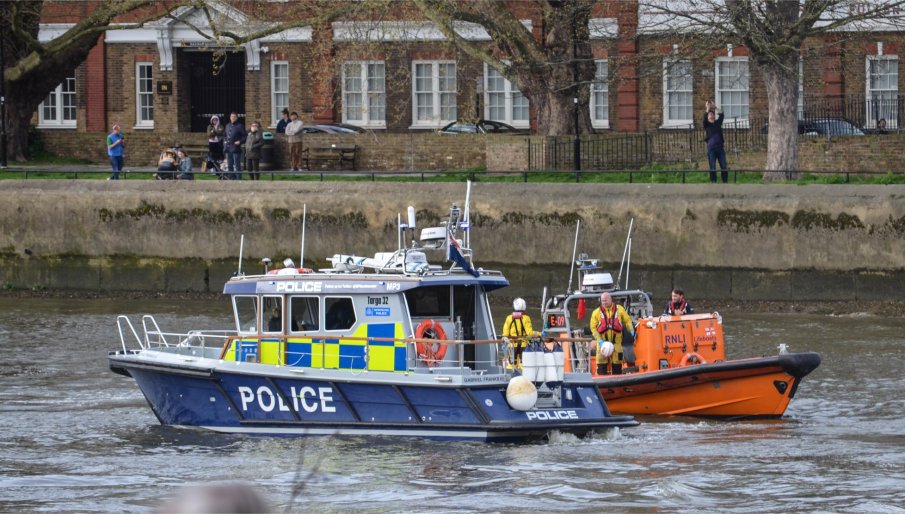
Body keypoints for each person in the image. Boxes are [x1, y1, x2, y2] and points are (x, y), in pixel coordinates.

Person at [589, 292, 634, 375]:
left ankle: (618, 383)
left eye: (606, 300)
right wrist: (599, 340)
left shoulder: (620, 309)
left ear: (610, 299)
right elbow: (593, 328)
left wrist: (631, 330)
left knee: (617, 365)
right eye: (602, 301)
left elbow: (627, 320)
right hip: (602, 344)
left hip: (616, 343)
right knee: (601, 365)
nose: (604, 302)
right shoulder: (596, 312)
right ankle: (602, 384)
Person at [501, 298, 536, 369]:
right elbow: (530, 333)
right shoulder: (526, 318)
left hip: (511, 345)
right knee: (523, 365)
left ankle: (511, 378)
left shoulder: (509, 318)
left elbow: (505, 334)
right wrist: (540, 334)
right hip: (523, 345)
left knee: (511, 365)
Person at [703, 99, 728, 184]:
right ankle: (713, 183)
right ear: (708, 117)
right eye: (709, 114)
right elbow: (704, 119)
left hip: (720, 148)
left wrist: (715, 107)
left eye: (711, 113)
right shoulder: (707, 125)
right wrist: (707, 108)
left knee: (723, 166)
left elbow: (721, 114)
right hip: (711, 149)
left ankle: (725, 182)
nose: (710, 114)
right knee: (712, 166)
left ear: (713, 116)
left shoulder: (717, 123)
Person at [224, 112, 246, 180]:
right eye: (231, 116)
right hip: (228, 148)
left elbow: (245, 136)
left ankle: (239, 180)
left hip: (236, 149)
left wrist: (240, 141)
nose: (233, 118)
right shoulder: (227, 125)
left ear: (236, 118)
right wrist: (224, 140)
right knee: (230, 165)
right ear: (230, 117)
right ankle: (231, 179)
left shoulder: (240, 126)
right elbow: (224, 135)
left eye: (234, 116)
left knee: (237, 165)